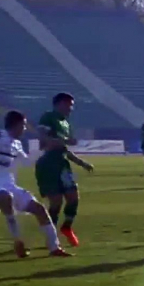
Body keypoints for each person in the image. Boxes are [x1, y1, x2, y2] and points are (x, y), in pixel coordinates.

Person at [0, 111, 71, 257]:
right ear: (17, 125)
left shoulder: (16, 144)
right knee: (6, 197)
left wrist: (41, 147)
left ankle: (54, 248)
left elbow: (27, 162)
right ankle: (18, 242)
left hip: (8, 185)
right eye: (23, 125)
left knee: (40, 209)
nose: (24, 129)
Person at [36, 93, 94, 247]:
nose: (71, 108)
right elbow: (42, 141)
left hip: (62, 164)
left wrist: (82, 163)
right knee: (56, 202)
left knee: (73, 197)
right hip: (48, 164)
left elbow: (64, 149)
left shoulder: (65, 123)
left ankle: (67, 227)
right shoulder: (48, 117)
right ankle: (52, 236)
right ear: (60, 103)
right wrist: (65, 140)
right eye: (69, 105)